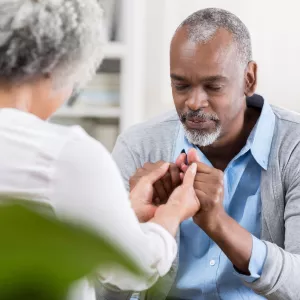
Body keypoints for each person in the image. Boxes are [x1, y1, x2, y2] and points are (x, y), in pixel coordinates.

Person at [0, 1, 202, 300]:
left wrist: (121, 214)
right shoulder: (66, 153)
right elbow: (133, 266)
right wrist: (173, 213)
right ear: (55, 67)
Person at [110, 8, 300, 300]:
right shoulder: (138, 147)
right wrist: (139, 230)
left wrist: (218, 223)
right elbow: (98, 291)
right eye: (181, 86)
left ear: (249, 79)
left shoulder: (294, 146)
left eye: (213, 86)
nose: (194, 103)